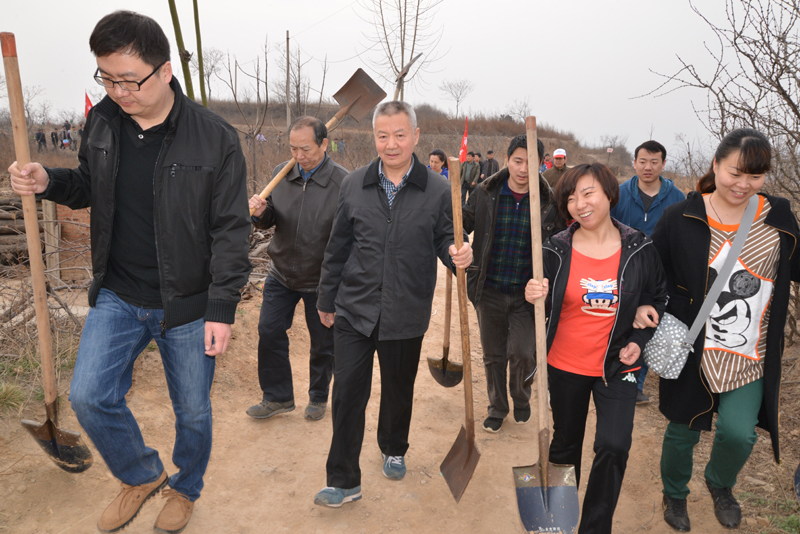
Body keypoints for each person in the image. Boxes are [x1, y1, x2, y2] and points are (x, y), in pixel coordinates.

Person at [8, 11, 251, 534]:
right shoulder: (102, 122)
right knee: (89, 396)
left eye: (129, 80)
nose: (118, 91)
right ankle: (141, 474)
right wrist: (48, 180)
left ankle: (186, 488)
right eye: (107, 78)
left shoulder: (215, 138)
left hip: (187, 303)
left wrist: (221, 307)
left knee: (193, 412)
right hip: (119, 293)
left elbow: (231, 230)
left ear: (164, 71)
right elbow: (88, 186)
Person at [313, 101, 472, 508]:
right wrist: (326, 298)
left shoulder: (437, 189)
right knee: (347, 393)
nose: (391, 144)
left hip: (406, 310)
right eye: (383, 135)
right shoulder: (355, 184)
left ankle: (394, 446)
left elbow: (445, 239)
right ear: (374, 138)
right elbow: (337, 246)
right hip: (355, 308)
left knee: (398, 389)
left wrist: (457, 254)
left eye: (400, 135)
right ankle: (343, 480)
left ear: (415, 136)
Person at [643, 129, 800, 532]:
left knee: (739, 433)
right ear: (715, 165)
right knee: (682, 431)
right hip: (694, 346)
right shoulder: (681, 217)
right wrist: (645, 307)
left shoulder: (777, 216)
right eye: (735, 173)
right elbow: (651, 271)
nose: (743, 184)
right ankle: (675, 493)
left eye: (755, 176)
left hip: (751, 351)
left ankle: (720, 483)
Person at [525, 162, 667, 534]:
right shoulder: (555, 248)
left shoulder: (638, 247)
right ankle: (556, 518)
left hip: (618, 364)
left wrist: (639, 338)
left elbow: (657, 297)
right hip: (564, 363)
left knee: (614, 445)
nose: (580, 204)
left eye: (588, 193)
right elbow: (541, 298)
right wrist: (533, 293)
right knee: (565, 445)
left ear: (609, 193)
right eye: (571, 198)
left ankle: (594, 526)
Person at [247, 116, 348, 422]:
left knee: (323, 342)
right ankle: (277, 396)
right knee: (269, 331)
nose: (299, 156)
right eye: (293, 148)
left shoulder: (343, 183)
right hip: (281, 273)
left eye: (306, 149)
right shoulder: (282, 173)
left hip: (321, 279)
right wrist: (261, 213)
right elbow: (272, 220)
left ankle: (318, 396)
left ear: (324, 144)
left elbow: (348, 237)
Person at [463, 135, 564, 433]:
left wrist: (548, 284)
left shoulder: (549, 202)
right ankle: (497, 407)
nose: (522, 169)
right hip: (489, 288)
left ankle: (520, 396)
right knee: (493, 355)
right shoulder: (485, 192)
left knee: (523, 352)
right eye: (517, 161)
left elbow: (560, 247)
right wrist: (457, 240)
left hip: (527, 294)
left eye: (530, 162)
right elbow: (462, 223)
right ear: (507, 160)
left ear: (541, 164)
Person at [610, 140, 685, 404]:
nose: (648, 167)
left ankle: (635, 384)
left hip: (659, 276)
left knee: (648, 325)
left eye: (654, 162)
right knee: (621, 323)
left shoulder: (677, 198)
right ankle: (615, 373)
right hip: (622, 271)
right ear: (634, 163)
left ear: (663, 164)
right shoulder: (619, 194)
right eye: (642, 161)